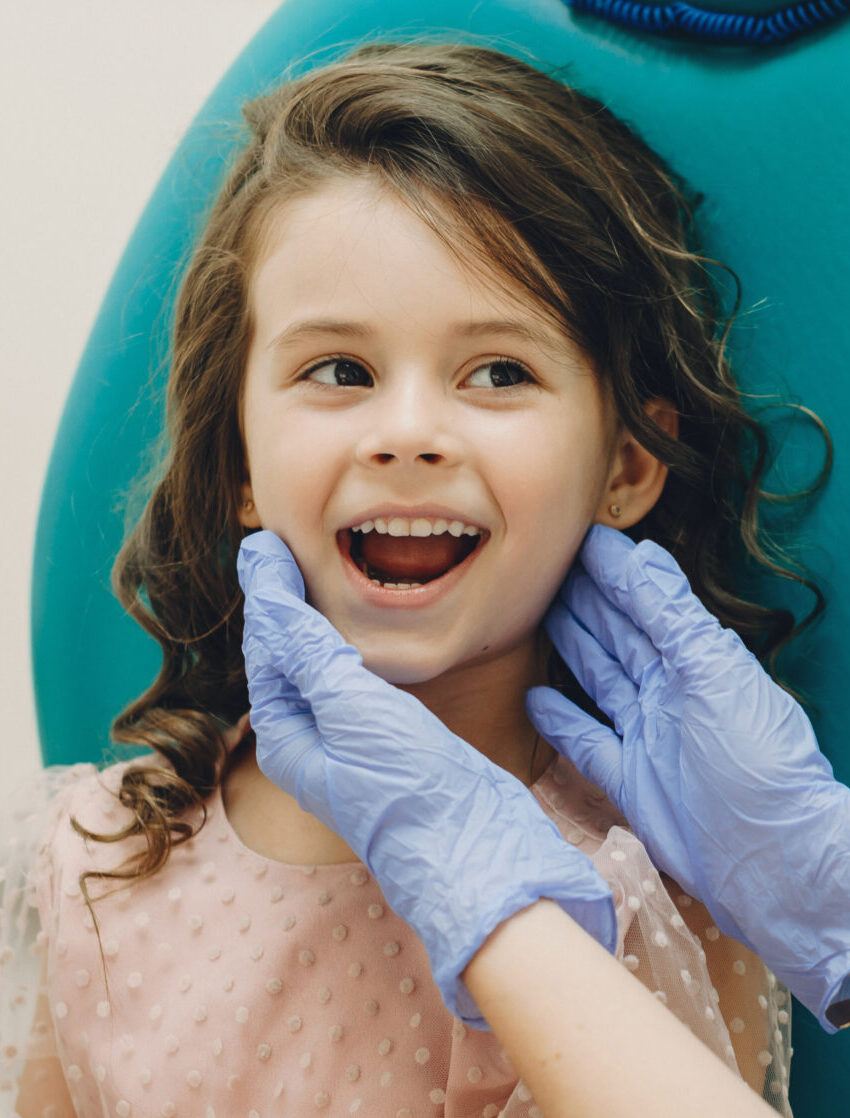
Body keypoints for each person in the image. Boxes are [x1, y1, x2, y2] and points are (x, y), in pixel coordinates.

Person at [2, 40, 843, 1117]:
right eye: (338, 370)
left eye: (498, 371)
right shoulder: (98, 867)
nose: (407, 432)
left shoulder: (665, 888)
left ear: (626, 464)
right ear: (237, 463)